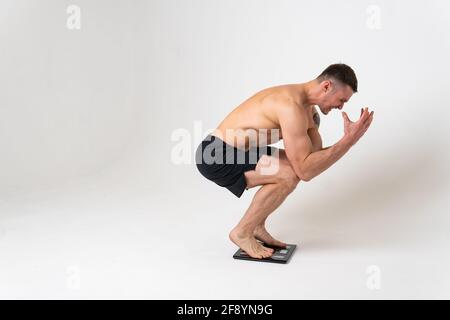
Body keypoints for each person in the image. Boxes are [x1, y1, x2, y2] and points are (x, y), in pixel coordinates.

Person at [195, 63, 374, 259]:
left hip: (239, 150)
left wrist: (347, 140)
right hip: (215, 154)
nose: (340, 106)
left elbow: (312, 161)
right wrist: (348, 141)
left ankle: (256, 226)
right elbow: (305, 171)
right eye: (341, 100)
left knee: (291, 170)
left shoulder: (309, 113)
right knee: (288, 174)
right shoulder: (290, 106)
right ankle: (242, 232)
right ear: (326, 86)